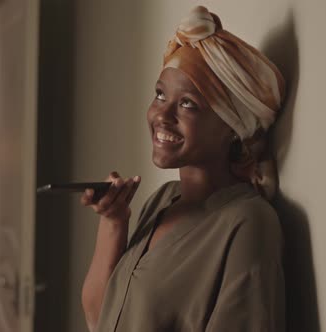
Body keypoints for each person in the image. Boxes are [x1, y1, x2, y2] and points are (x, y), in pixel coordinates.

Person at [80, 6, 286, 332]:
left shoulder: (248, 223)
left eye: (187, 103)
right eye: (160, 95)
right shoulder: (163, 201)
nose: (162, 114)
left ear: (233, 126)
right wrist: (114, 221)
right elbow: (98, 317)